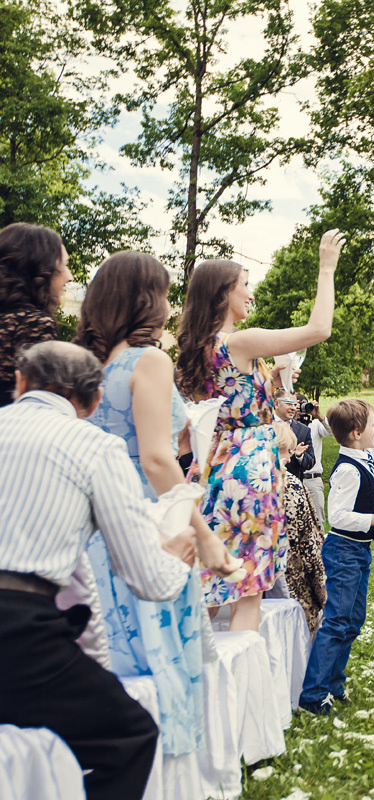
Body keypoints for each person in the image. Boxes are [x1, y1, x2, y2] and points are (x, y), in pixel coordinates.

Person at [0, 341, 196, 800]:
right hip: (19, 631)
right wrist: (176, 557)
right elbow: (147, 579)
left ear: (20, 383)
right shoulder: (94, 445)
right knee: (129, 736)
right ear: (92, 402)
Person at [72, 251, 236, 760]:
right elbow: (157, 461)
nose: (170, 304)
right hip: (149, 528)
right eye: (164, 293)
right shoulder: (149, 360)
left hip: (94, 534)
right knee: (156, 660)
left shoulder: (88, 365)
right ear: (147, 300)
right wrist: (205, 536)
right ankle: (161, 771)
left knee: (108, 662)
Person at [176, 229, 345, 632]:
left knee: (211, 584)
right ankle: (241, 693)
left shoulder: (199, 348)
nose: (250, 294)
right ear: (222, 295)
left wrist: (275, 384)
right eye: (245, 286)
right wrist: (326, 268)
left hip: (213, 465)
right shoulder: (240, 341)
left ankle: (194, 683)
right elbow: (319, 329)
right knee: (247, 589)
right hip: (250, 468)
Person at [299, 361, 374, 713]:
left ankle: (334, 683)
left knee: (353, 620)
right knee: (336, 621)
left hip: (358, 553)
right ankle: (314, 694)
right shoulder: (347, 468)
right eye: (373, 424)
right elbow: (338, 516)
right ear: (358, 432)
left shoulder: (361, 454)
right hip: (343, 552)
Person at [0, 223, 70, 405]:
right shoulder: (34, 323)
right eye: (64, 266)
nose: (69, 277)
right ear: (40, 270)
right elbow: (37, 406)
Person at [273, 421, 326, 633]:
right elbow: (310, 546)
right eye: (284, 451)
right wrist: (322, 592)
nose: (288, 458)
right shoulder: (290, 485)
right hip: (293, 589)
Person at [300, 395, 333, 528]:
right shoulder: (288, 427)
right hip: (294, 478)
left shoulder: (315, 425)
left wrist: (319, 415)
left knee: (317, 522)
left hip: (312, 479)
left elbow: (332, 432)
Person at [273, 387, 316, 479]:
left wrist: (300, 456)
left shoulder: (304, 431)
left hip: (292, 486)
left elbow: (310, 463)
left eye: (294, 404)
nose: (293, 408)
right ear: (276, 404)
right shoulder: (264, 426)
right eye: (289, 403)